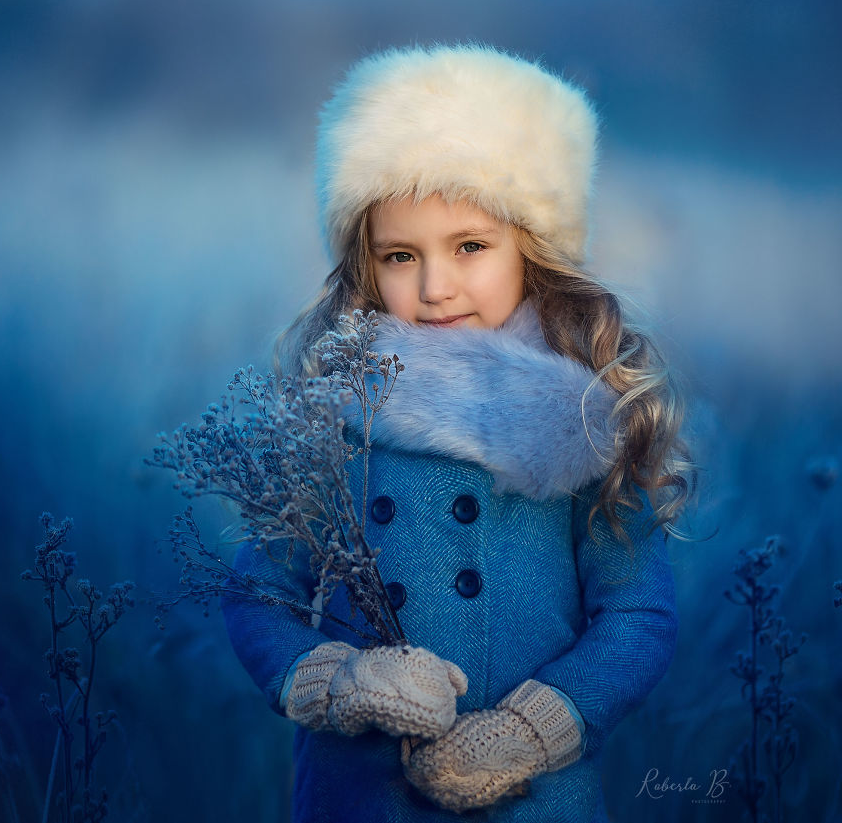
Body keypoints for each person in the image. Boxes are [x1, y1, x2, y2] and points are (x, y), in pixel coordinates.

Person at [223, 43, 693, 822]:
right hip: (358, 798)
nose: (436, 287)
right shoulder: (333, 411)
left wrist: (528, 732)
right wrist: (339, 682)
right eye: (401, 255)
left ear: (532, 246)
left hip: (536, 798)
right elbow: (258, 593)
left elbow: (637, 616)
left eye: (470, 246)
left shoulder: (585, 411)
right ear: (366, 265)